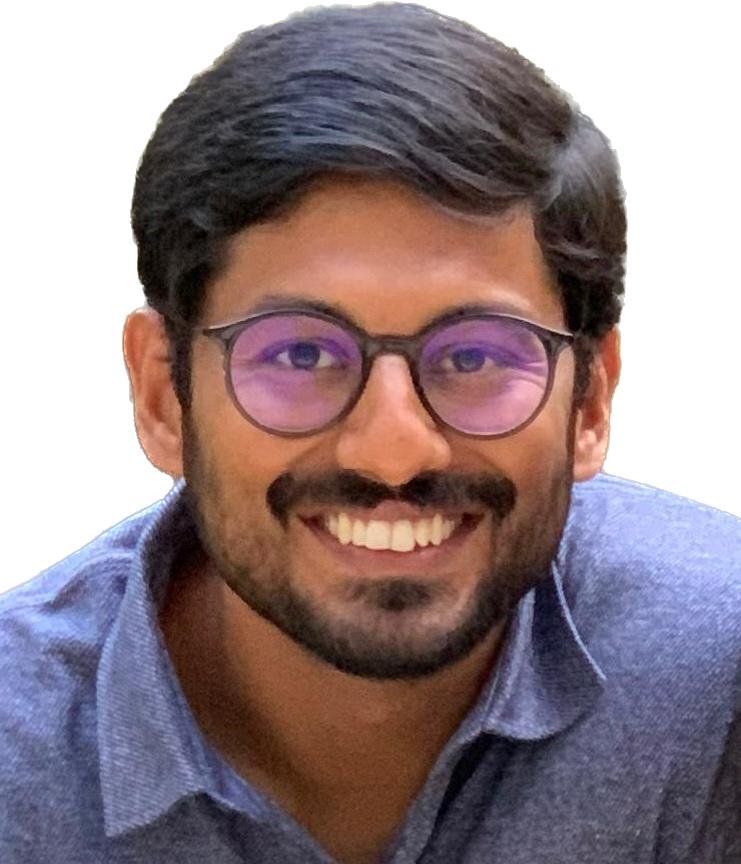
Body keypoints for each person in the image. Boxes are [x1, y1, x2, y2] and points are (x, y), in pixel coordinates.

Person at [1, 3, 739, 862]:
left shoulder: (717, 677)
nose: (393, 450)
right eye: (301, 353)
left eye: (473, 355)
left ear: (589, 404)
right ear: (164, 395)